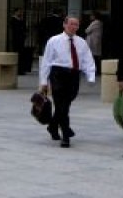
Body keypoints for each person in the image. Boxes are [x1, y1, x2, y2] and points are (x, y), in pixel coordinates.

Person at [38, 14, 96, 148]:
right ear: (64, 25)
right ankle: (66, 135)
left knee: (66, 104)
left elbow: (88, 60)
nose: (73, 27)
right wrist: (44, 81)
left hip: (74, 75)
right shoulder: (54, 40)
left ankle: (53, 125)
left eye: (76, 24)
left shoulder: (81, 42)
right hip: (58, 74)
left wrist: (90, 76)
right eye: (71, 24)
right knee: (61, 105)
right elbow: (46, 61)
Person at [8, 8, 31, 74]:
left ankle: (21, 69)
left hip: (21, 39)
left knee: (21, 55)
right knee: (17, 54)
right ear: (15, 12)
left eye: (21, 12)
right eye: (19, 12)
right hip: (16, 40)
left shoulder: (21, 20)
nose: (21, 13)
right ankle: (18, 70)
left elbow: (24, 29)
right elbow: (15, 30)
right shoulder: (13, 20)